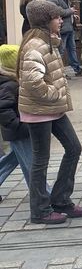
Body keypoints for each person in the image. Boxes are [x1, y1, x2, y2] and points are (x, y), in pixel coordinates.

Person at [18, 1, 82, 224]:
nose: (61, 20)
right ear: (45, 21)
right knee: (40, 160)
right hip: (39, 110)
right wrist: (55, 93)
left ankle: (61, 199)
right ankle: (40, 210)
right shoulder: (35, 46)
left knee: (74, 148)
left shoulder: (50, 42)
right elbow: (32, 82)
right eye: (57, 18)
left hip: (53, 109)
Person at [0, 45, 34, 203]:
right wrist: (19, 125)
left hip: (19, 129)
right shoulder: (9, 84)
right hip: (18, 130)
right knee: (31, 164)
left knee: (12, 159)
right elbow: (3, 110)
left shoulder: (13, 81)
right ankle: (43, 195)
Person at [45, 0, 82, 77]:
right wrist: (69, 12)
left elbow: (63, 9)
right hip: (62, 28)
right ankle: (58, 72)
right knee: (61, 50)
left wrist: (72, 15)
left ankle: (77, 69)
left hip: (68, 27)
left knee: (71, 49)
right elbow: (54, 11)